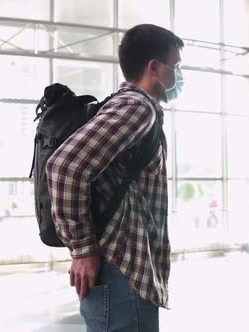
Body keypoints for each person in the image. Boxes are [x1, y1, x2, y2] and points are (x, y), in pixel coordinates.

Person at [46, 24, 184, 331]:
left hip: (121, 274)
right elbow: (64, 166)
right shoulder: (137, 107)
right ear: (154, 68)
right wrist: (82, 250)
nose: (177, 76)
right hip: (123, 274)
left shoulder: (123, 103)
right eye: (175, 67)